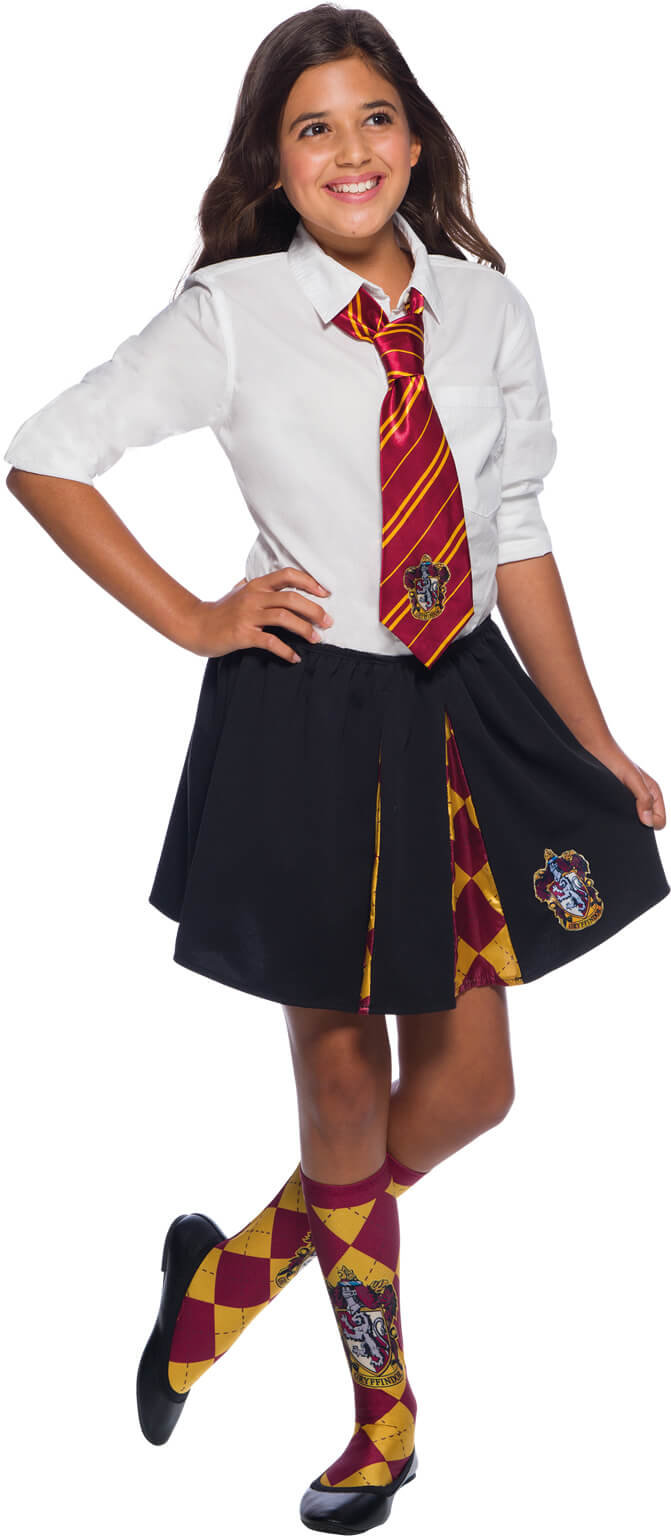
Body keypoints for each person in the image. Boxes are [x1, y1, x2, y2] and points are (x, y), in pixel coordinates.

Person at [4, 6, 668, 1532]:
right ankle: (385, 1424)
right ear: (276, 161)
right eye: (314, 128)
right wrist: (197, 616)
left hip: (459, 708)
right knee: (342, 1084)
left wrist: (596, 737)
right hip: (303, 716)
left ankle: (218, 1292)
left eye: (375, 118)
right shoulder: (233, 313)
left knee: (473, 1087)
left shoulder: (488, 311)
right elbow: (43, 453)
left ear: (416, 141)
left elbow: (516, 537)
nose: (350, 150)